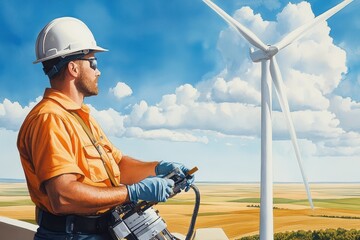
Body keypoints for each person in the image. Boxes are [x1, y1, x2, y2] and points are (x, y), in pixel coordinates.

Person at [17, 17, 194, 240]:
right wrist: (132, 192)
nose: (98, 72)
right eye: (93, 63)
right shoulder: (50, 119)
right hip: (72, 236)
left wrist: (158, 169)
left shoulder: (81, 117)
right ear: (73, 68)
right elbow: (63, 196)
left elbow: (118, 165)